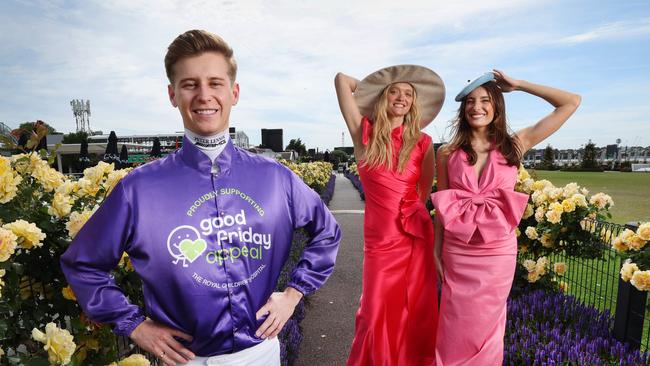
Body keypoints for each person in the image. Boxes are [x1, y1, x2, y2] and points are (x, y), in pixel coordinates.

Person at [61, 30, 341, 366]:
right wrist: (134, 325)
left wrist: (293, 295)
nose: (204, 95)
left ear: (234, 92)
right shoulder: (138, 188)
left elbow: (327, 232)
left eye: (215, 83)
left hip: (261, 353)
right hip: (185, 360)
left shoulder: (275, 178)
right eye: (190, 84)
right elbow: (83, 263)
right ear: (173, 94)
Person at [432, 70, 581, 365]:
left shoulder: (516, 143)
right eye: (471, 101)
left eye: (485, 100)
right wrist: (436, 250)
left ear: (497, 105)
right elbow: (443, 207)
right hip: (457, 251)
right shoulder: (446, 153)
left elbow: (570, 102)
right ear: (463, 109)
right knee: (454, 325)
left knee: (488, 327)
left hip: (497, 253)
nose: (477, 107)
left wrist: (520, 85)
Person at [335, 65, 445, 365]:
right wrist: (372, 89)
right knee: (374, 315)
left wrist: (412, 218)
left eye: (408, 94)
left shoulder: (423, 142)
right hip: (380, 244)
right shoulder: (364, 133)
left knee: (416, 313)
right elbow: (342, 81)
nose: (401, 98)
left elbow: (423, 192)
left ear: (414, 103)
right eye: (394, 92)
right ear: (383, 98)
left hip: (414, 239)